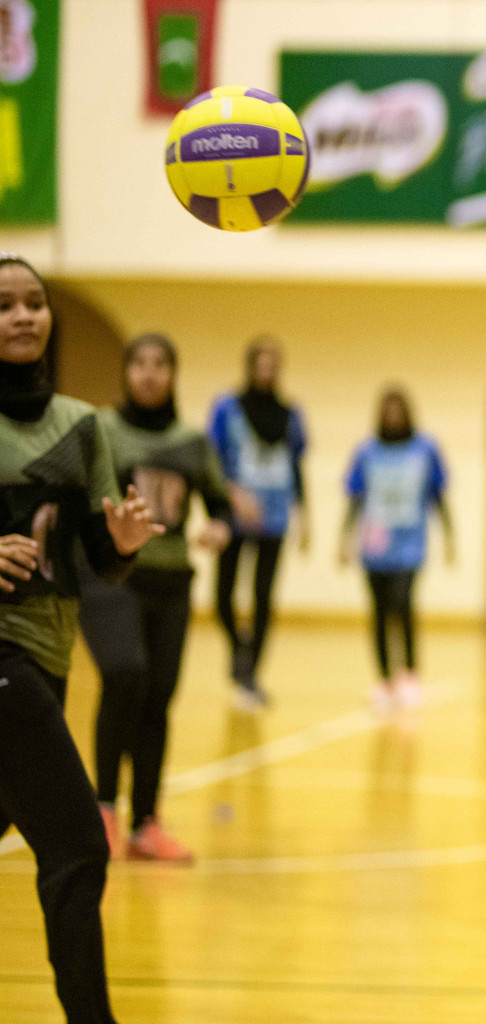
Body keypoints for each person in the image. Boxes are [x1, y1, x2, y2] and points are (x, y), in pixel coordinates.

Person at [0, 253, 161, 1024]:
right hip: (4, 659)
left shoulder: (79, 424)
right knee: (77, 849)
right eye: (4, 306)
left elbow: (97, 566)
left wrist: (121, 543)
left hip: (48, 652)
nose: (24, 316)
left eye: (34, 302)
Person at [80, 333, 244, 863]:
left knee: (158, 699)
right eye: (140, 364)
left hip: (173, 582)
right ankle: (104, 809)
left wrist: (219, 527)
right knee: (125, 675)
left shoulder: (193, 441)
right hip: (114, 579)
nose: (149, 374)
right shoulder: (104, 430)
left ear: (173, 374)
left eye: (160, 365)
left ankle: (146, 822)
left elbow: (220, 504)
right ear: (126, 371)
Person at [207, 337, 309, 711]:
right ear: (249, 366)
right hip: (236, 515)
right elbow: (212, 460)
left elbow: (296, 465)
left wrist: (304, 514)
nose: (266, 372)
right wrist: (232, 495)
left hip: (276, 516)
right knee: (222, 597)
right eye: (260, 365)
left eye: (273, 366)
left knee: (263, 596)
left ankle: (250, 675)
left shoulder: (290, 414)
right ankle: (241, 649)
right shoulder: (226, 409)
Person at [339, 386, 453, 715]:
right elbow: (356, 498)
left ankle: (410, 675)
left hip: (410, 544)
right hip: (375, 544)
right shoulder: (367, 452)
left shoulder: (424, 449)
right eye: (387, 411)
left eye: (398, 410)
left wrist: (449, 538)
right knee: (377, 611)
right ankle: (385, 678)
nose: (393, 417)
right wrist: (344, 540)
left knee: (402, 604)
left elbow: (438, 496)